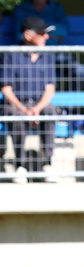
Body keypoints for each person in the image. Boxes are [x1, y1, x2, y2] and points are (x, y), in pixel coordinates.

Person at [1, 17, 58, 183]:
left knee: (50, 111)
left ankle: (47, 164)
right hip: (17, 104)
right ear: (27, 35)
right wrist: (24, 109)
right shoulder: (11, 54)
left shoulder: (48, 55)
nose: (46, 37)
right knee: (16, 116)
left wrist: (37, 109)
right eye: (41, 33)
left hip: (39, 104)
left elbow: (50, 88)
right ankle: (21, 166)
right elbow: (6, 88)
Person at [12, 0, 84, 92]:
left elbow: (64, 30)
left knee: (79, 72)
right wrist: (52, 33)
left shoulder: (57, 8)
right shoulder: (20, 9)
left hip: (55, 54)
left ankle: (65, 105)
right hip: (28, 55)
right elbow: (20, 35)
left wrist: (37, 30)